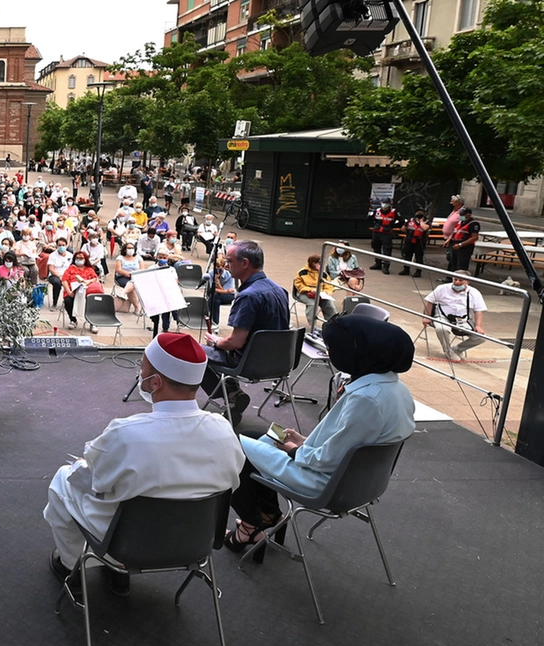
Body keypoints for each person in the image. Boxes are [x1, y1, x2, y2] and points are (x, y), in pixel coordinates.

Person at [44, 333, 245, 595]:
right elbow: (232, 480)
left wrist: (84, 466)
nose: (140, 376)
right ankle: (116, 570)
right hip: (194, 543)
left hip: (127, 544)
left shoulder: (126, 434)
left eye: (142, 369)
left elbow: (96, 482)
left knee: (63, 478)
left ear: (155, 382)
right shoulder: (224, 431)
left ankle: (73, 566)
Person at [225, 316, 414, 557]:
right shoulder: (395, 389)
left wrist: (294, 450)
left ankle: (251, 527)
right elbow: (351, 446)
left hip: (328, 485)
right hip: (361, 483)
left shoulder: (366, 399)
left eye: (334, 348)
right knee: (254, 435)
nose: (330, 352)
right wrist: (303, 442)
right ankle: (268, 515)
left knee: (232, 449)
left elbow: (330, 459)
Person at [200, 240, 289, 424]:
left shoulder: (248, 296)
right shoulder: (281, 290)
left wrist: (215, 342)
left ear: (245, 263)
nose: (225, 266)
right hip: (280, 362)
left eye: (229, 261)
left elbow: (236, 343)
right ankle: (233, 393)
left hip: (251, 363)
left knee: (195, 352)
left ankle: (232, 394)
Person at [422, 271, 487, 361]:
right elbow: (429, 301)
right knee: (442, 328)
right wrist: (427, 317)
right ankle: (447, 351)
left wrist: (478, 326)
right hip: (442, 316)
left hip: (463, 319)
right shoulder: (442, 288)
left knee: (481, 337)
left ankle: (457, 349)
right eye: (455, 279)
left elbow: (478, 311)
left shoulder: (474, 293)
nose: (457, 282)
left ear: (467, 281)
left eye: (460, 280)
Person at [293, 254, 338, 338]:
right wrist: (309, 289)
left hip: (320, 293)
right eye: (318, 263)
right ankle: (313, 326)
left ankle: (333, 324)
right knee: (312, 304)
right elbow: (298, 284)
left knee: (329, 305)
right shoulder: (302, 272)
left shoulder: (323, 274)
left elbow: (328, 285)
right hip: (305, 293)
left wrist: (327, 292)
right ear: (313, 263)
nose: (320, 265)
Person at [60, 251, 102, 332]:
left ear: (85, 259)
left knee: (92, 301)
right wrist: (69, 292)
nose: (79, 260)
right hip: (72, 291)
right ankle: (73, 320)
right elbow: (64, 280)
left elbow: (95, 278)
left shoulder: (89, 269)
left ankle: (92, 322)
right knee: (67, 300)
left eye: (81, 258)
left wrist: (88, 281)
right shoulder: (70, 269)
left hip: (86, 292)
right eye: (77, 258)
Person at [205, 253, 235, 331]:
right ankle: (215, 324)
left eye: (219, 267)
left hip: (228, 296)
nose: (217, 269)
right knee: (216, 301)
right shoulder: (211, 273)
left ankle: (208, 314)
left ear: (223, 267)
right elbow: (213, 289)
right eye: (216, 267)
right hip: (217, 295)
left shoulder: (229, 275)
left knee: (213, 297)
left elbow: (226, 291)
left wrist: (217, 281)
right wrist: (224, 290)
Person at [446, 206, 480, 273]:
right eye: (460, 214)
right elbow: (455, 231)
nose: (461, 216)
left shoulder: (473, 224)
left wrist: (461, 245)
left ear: (468, 215)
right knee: (452, 263)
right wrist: (449, 239)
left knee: (461, 266)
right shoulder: (460, 221)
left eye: (462, 215)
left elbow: (475, 237)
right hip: (454, 244)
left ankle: (460, 280)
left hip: (464, 247)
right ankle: (449, 278)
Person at [369, 198, 398, 273]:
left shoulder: (394, 212)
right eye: (383, 202)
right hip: (377, 232)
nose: (384, 204)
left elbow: (401, 221)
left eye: (386, 203)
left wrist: (392, 226)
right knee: (376, 247)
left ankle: (386, 267)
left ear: (389, 204)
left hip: (387, 234)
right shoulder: (377, 211)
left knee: (387, 250)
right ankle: (378, 263)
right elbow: (369, 219)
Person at [399, 208, 431, 277]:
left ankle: (418, 272)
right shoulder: (410, 220)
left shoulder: (426, 221)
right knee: (407, 256)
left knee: (419, 257)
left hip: (419, 242)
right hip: (409, 240)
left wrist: (421, 221)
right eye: (418, 212)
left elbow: (425, 228)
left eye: (421, 212)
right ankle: (406, 269)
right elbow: (403, 228)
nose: (419, 213)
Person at [45, 237, 72, 308]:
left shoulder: (70, 255)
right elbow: (51, 269)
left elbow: (72, 267)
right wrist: (60, 276)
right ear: (56, 246)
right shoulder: (52, 255)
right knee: (57, 283)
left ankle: (69, 303)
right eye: (59, 245)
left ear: (66, 245)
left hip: (67, 275)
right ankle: (54, 303)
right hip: (55, 275)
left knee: (74, 282)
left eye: (63, 245)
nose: (61, 247)